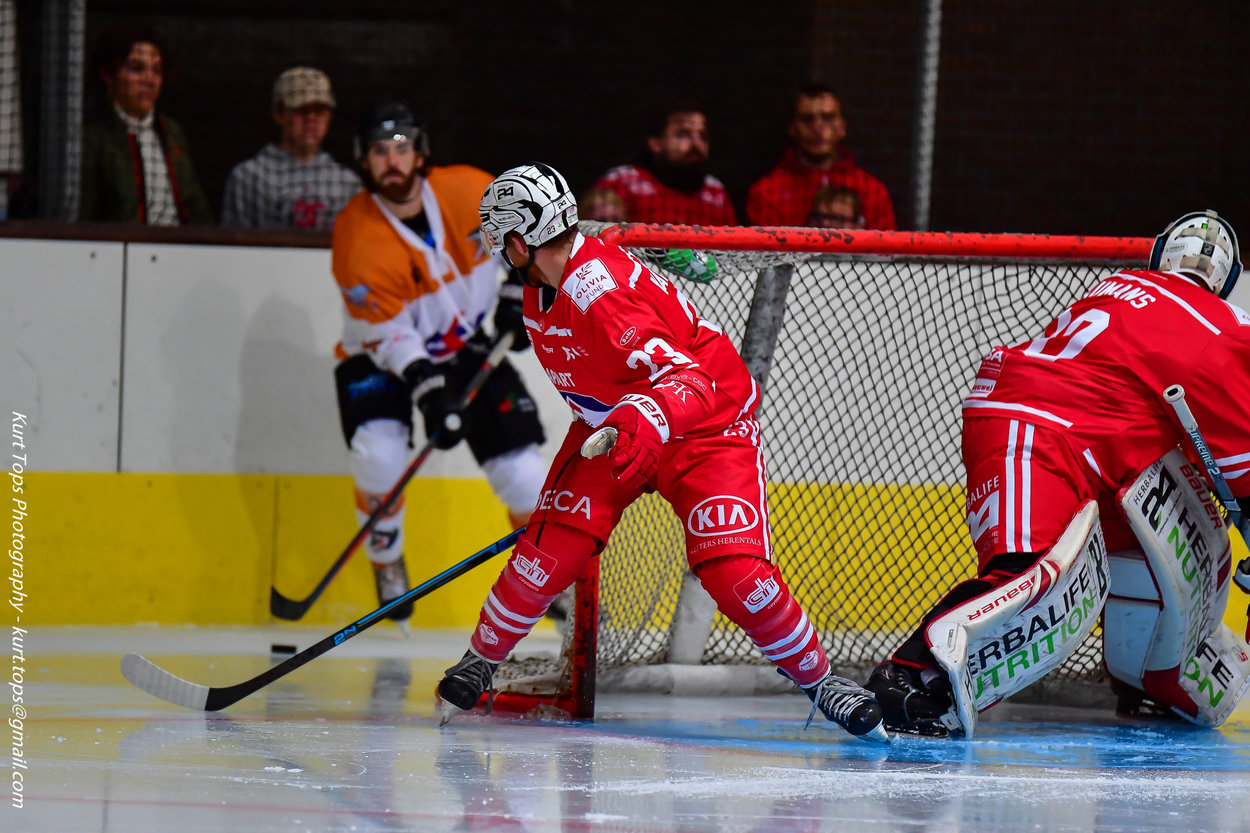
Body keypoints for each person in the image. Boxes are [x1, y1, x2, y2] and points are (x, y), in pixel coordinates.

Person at [435, 162, 887, 743]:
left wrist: (647, 419)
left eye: (501, 243)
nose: (499, 254)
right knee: (548, 554)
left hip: (705, 426)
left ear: (520, 241)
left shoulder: (598, 294)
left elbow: (691, 379)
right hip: (613, 427)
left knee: (734, 574)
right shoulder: (542, 287)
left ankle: (825, 684)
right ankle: (479, 660)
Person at [865, 210, 1250, 737]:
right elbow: (1241, 462)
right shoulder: (1223, 324)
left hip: (1084, 443)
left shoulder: (1119, 286)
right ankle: (910, 673)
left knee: (1162, 534)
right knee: (1032, 573)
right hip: (1040, 429)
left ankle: (1144, 681)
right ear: (1227, 282)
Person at [330, 103, 546, 622]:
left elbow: (526, 243)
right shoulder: (355, 236)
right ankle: (386, 562)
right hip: (380, 361)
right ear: (364, 162)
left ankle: (547, 581)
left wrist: (520, 292)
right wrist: (425, 384)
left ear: (420, 152)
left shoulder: (471, 190)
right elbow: (386, 333)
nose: (392, 161)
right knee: (378, 460)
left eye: (401, 147)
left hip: (469, 349)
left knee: (527, 479)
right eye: (379, 151)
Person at [79, 23, 211, 225]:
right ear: (107, 75)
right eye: (136, 69)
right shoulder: (93, 136)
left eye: (157, 71)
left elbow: (197, 208)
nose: (150, 80)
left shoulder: (171, 132)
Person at [220, 67, 361, 230]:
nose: (311, 119)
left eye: (320, 110)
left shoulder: (348, 184)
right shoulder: (248, 178)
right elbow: (232, 248)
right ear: (279, 113)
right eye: (301, 110)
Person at [747, 82, 894, 230]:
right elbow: (765, 252)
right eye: (807, 119)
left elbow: (887, 251)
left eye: (828, 118)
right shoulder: (768, 192)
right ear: (793, 128)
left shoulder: (871, 191)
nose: (818, 127)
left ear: (842, 126)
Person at [591, 101, 737, 225]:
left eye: (702, 136)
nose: (696, 144)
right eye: (683, 134)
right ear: (655, 143)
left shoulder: (715, 192)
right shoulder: (623, 181)